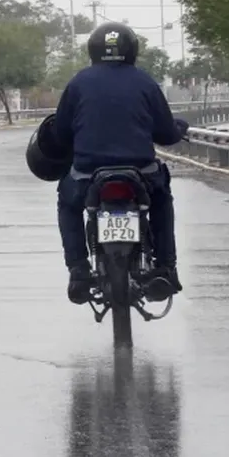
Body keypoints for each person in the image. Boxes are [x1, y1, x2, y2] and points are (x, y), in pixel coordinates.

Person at [52, 22, 186, 305]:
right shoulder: (145, 82)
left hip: (88, 175)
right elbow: (165, 133)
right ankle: (165, 267)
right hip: (142, 174)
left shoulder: (78, 83)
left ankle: (78, 270)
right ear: (132, 50)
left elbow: (60, 132)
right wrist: (180, 128)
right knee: (161, 202)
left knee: (67, 203)